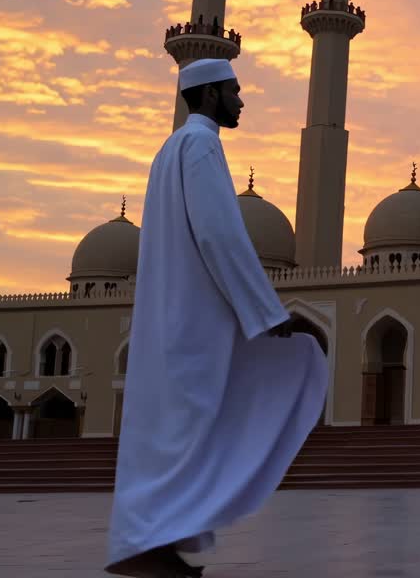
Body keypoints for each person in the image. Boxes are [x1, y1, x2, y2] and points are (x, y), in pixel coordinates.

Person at [105, 58, 329, 578]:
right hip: (198, 320)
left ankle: (154, 545)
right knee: (192, 429)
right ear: (208, 96)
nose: (242, 100)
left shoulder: (171, 149)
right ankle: (146, 548)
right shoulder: (202, 145)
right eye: (234, 90)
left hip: (174, 314)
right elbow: (219, 234)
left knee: (173, 434)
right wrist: (267, 313)